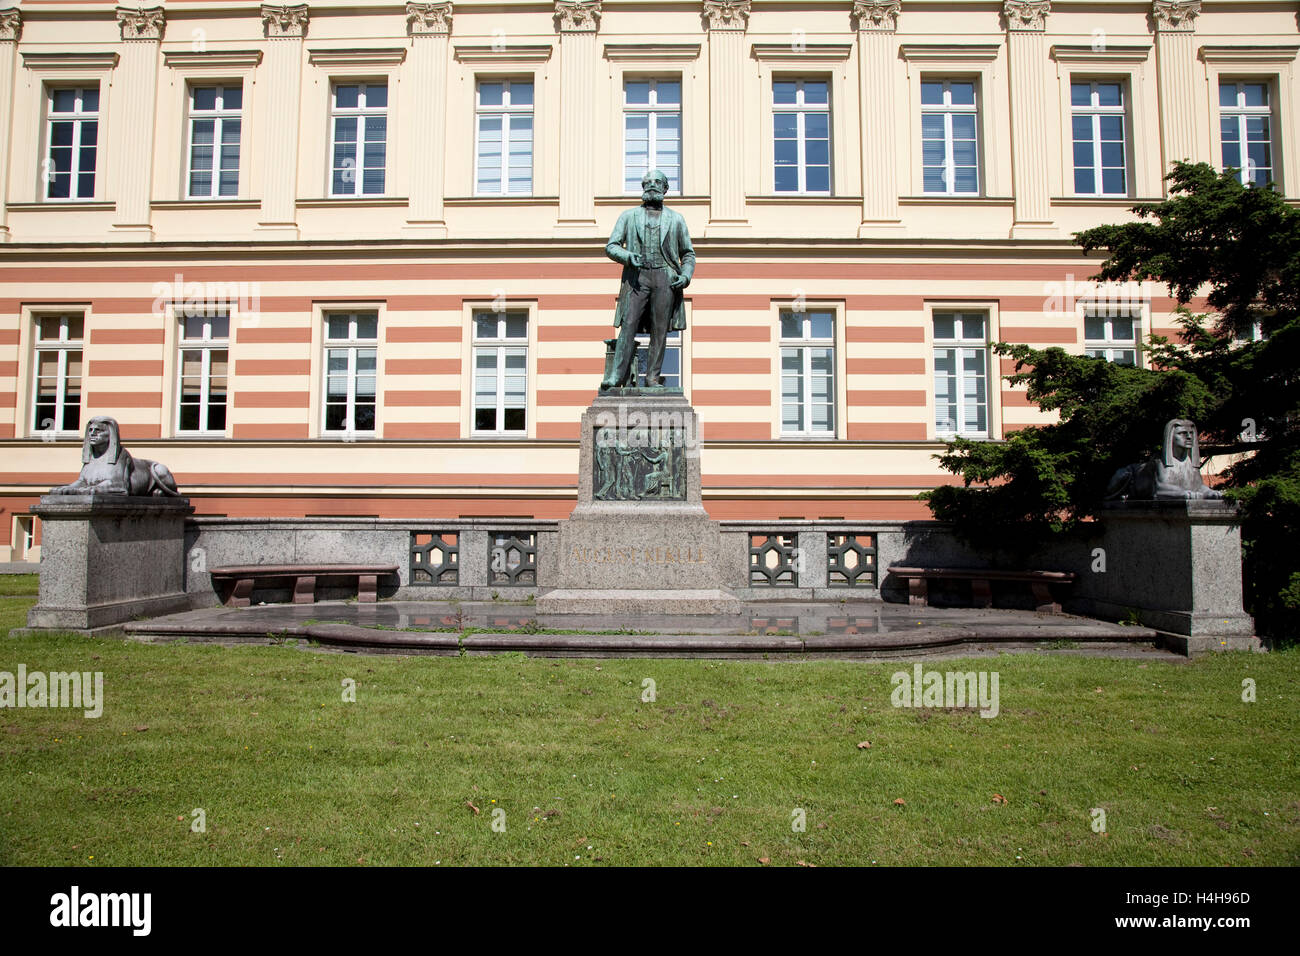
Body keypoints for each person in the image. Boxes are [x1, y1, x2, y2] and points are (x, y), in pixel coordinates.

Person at [602, 169, 696, 390]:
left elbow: (688, 254)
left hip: (665, 277)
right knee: (628, 325)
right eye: (648, 182)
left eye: (658, 182)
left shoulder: (676, 219)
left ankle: (652, 378)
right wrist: (627, 256)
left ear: (665, 189)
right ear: (643, 187)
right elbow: (611, 246)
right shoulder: (628, 216)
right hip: (637, 277)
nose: (652, 185)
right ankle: (617, 376)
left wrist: (685, 275)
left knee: (660, 330)